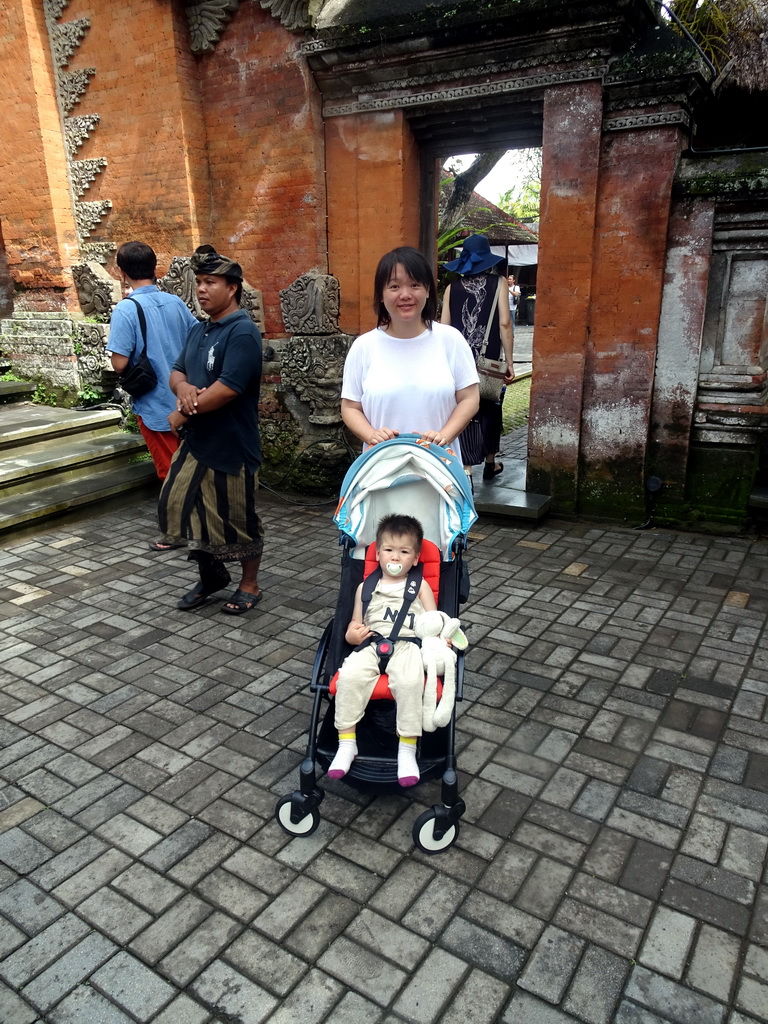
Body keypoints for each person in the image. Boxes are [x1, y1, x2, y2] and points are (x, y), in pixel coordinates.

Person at [157, 245, 265, 616]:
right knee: (183, 508)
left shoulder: (243, 333)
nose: (202, 289)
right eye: (199, 282)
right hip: (198, 442)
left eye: (211, 282)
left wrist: (182, 414)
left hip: (233, 446)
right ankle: (212, 575)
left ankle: (249, 584)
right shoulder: (199, 329)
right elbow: (176, 370)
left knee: (240, 517)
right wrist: (183, 389)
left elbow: (228, 389)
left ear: (232, 287)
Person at [340, 246, 479, 462]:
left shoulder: (450, 340)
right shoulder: (363, 347)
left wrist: (444, 436)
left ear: (428, 291)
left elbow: (470, 398)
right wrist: (372, 435)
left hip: (440, 468)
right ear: (381, 295)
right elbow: (350, 406)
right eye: (394, 286)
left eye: (415, 285)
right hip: (380, 469)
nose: (405, 295)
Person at [328, 513, 437, 787]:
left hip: (407, 645)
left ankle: (407, 749)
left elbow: (432, 620)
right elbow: (356, 623)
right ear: (378, 554)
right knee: (349, 677)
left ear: (415, 558)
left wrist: (438, 640)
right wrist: (352, 635)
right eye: (389, 550)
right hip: (371, 643)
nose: (395, 557)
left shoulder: (420, 585)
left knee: (411, 682)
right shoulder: (366, 588)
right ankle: (347, 743)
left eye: (404, 552)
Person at [107, 241, 198, 548]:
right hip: (189, 400)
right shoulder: (175, 302)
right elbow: (196, 343)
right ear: (155, 268)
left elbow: (119, 362)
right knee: (190, 465)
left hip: (156, 404)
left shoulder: (126, 309)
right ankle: (196, 521)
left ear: (122, 273)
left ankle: (177, 532)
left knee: (170, 472)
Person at [441, 234, 515, 481]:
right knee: (491, 406)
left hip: (457, 361)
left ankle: (466, 468)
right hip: (489, 360)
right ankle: (490, 463)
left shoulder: (452, 288)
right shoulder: (500, 283)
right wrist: (510, 362)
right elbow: (505, 324)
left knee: (463, 408)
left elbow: (445, 328)